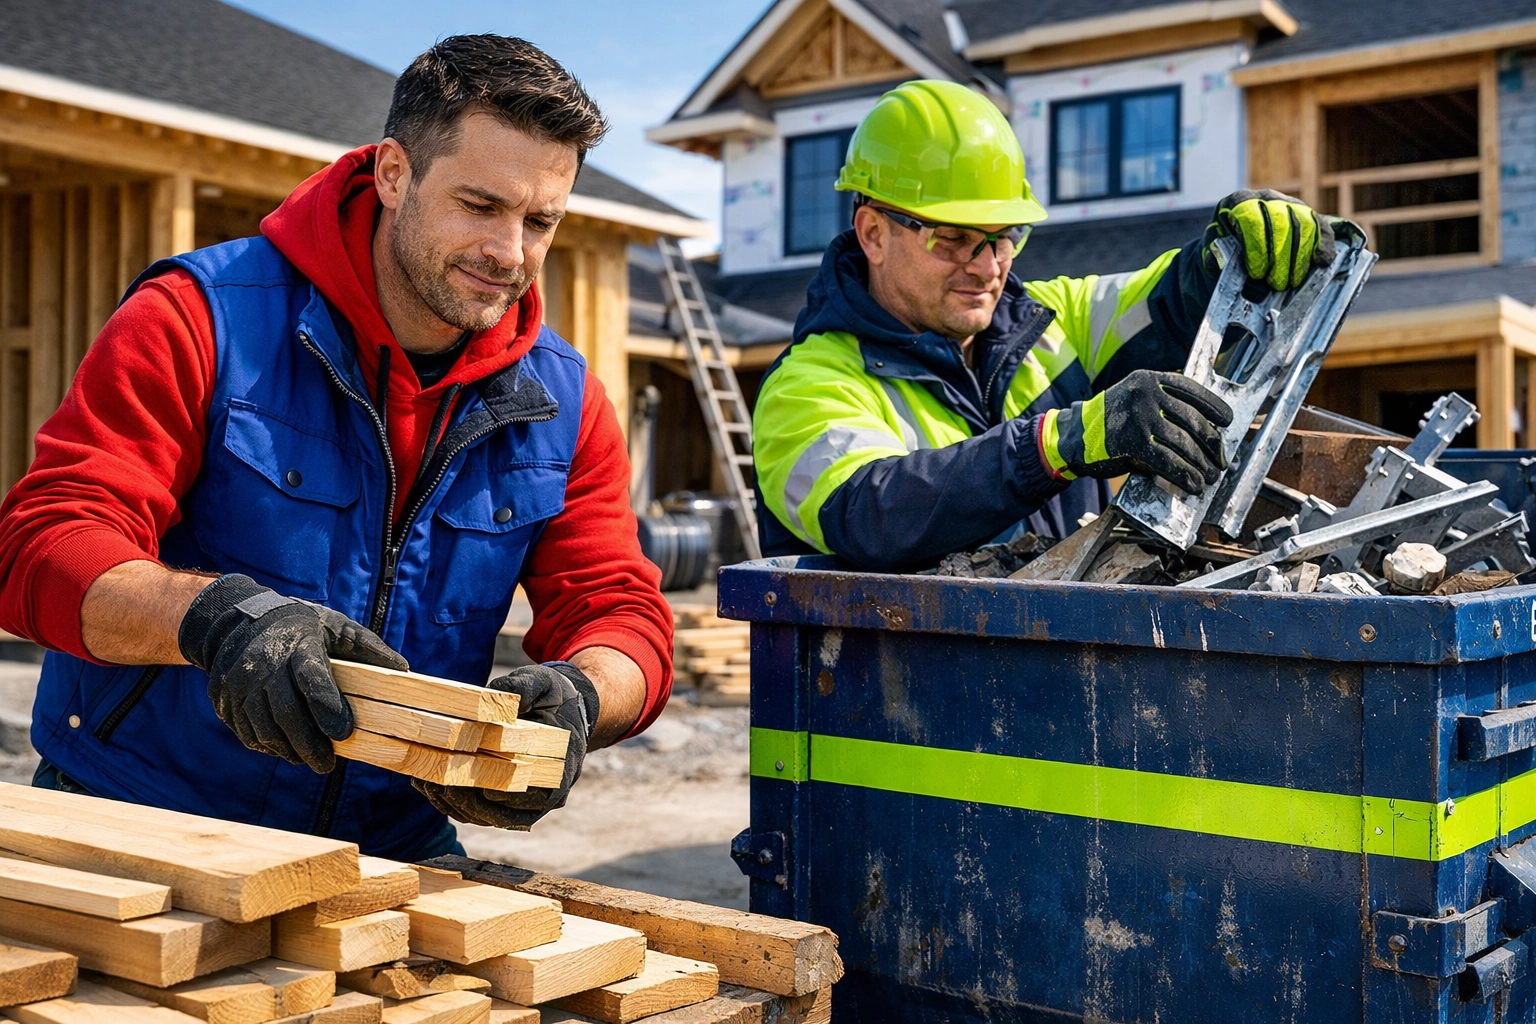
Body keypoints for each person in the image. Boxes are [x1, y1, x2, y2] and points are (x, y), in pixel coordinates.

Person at [0, 35, 674, 859]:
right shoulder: (198, 318)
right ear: (394, 172)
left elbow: (620, 611)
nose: (509, 252)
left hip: (388, 845)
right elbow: (42, 549)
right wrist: (216, 620)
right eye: (480, 206)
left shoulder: (565, 404)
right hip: (141, 818)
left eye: (540, 222)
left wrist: (582, 694)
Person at [753, 79, 1345, 570]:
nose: (986, 266)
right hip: (884, 705)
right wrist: (1056, 442)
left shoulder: (1054, 320)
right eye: (953, 238)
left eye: (1003, 238)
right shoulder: (806, 384)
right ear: (873, 234)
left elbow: (1163, 304)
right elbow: (874, 514)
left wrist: (1227, 257)